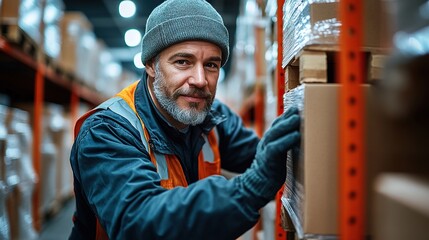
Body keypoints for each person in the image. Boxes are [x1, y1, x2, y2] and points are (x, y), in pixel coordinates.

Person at [69, 0, 300, 239]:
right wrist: (249, 190)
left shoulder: (213, 117)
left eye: (211, 65)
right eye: (183, 62)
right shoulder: (106, 131)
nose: (200, 80)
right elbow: (138, 221)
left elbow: (263, 156)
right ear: (151, 65)